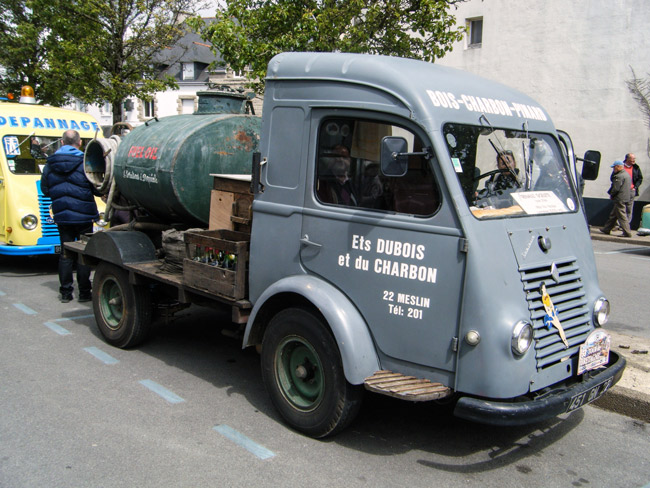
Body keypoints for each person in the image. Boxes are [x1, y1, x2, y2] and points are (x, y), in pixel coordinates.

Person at [41, 130, 100, 302]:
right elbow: (96, 188)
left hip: (62, 216)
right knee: (83, 253)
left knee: (65, 254)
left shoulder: (50, 164)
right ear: (79, 143)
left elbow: (45, 190)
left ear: (62, 142)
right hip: (84, 216)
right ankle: (84, 292)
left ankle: (66, 293)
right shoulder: (85, 162)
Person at [600, 160, 633, 237]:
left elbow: (616, 188)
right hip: (625, 197)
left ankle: (627, 232)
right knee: (613, 215)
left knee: (622, 215)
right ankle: (607, 229)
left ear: (618, 167)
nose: (613, 169)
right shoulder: (626, 175)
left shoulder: (619, 176)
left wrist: (612, 194)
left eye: (614, 167)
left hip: (619, 198)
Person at [623, 153, 643, 224]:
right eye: (632, 158)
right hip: (622, 191)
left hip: (631, 190)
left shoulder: (636, 168)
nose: (634, 160)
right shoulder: (621, 166)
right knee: (620, 208)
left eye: (634, 158)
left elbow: (640, 178)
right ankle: (619, 224)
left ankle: (626, 224)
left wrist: (635, 187)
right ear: (627, 159)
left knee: (629, 208)